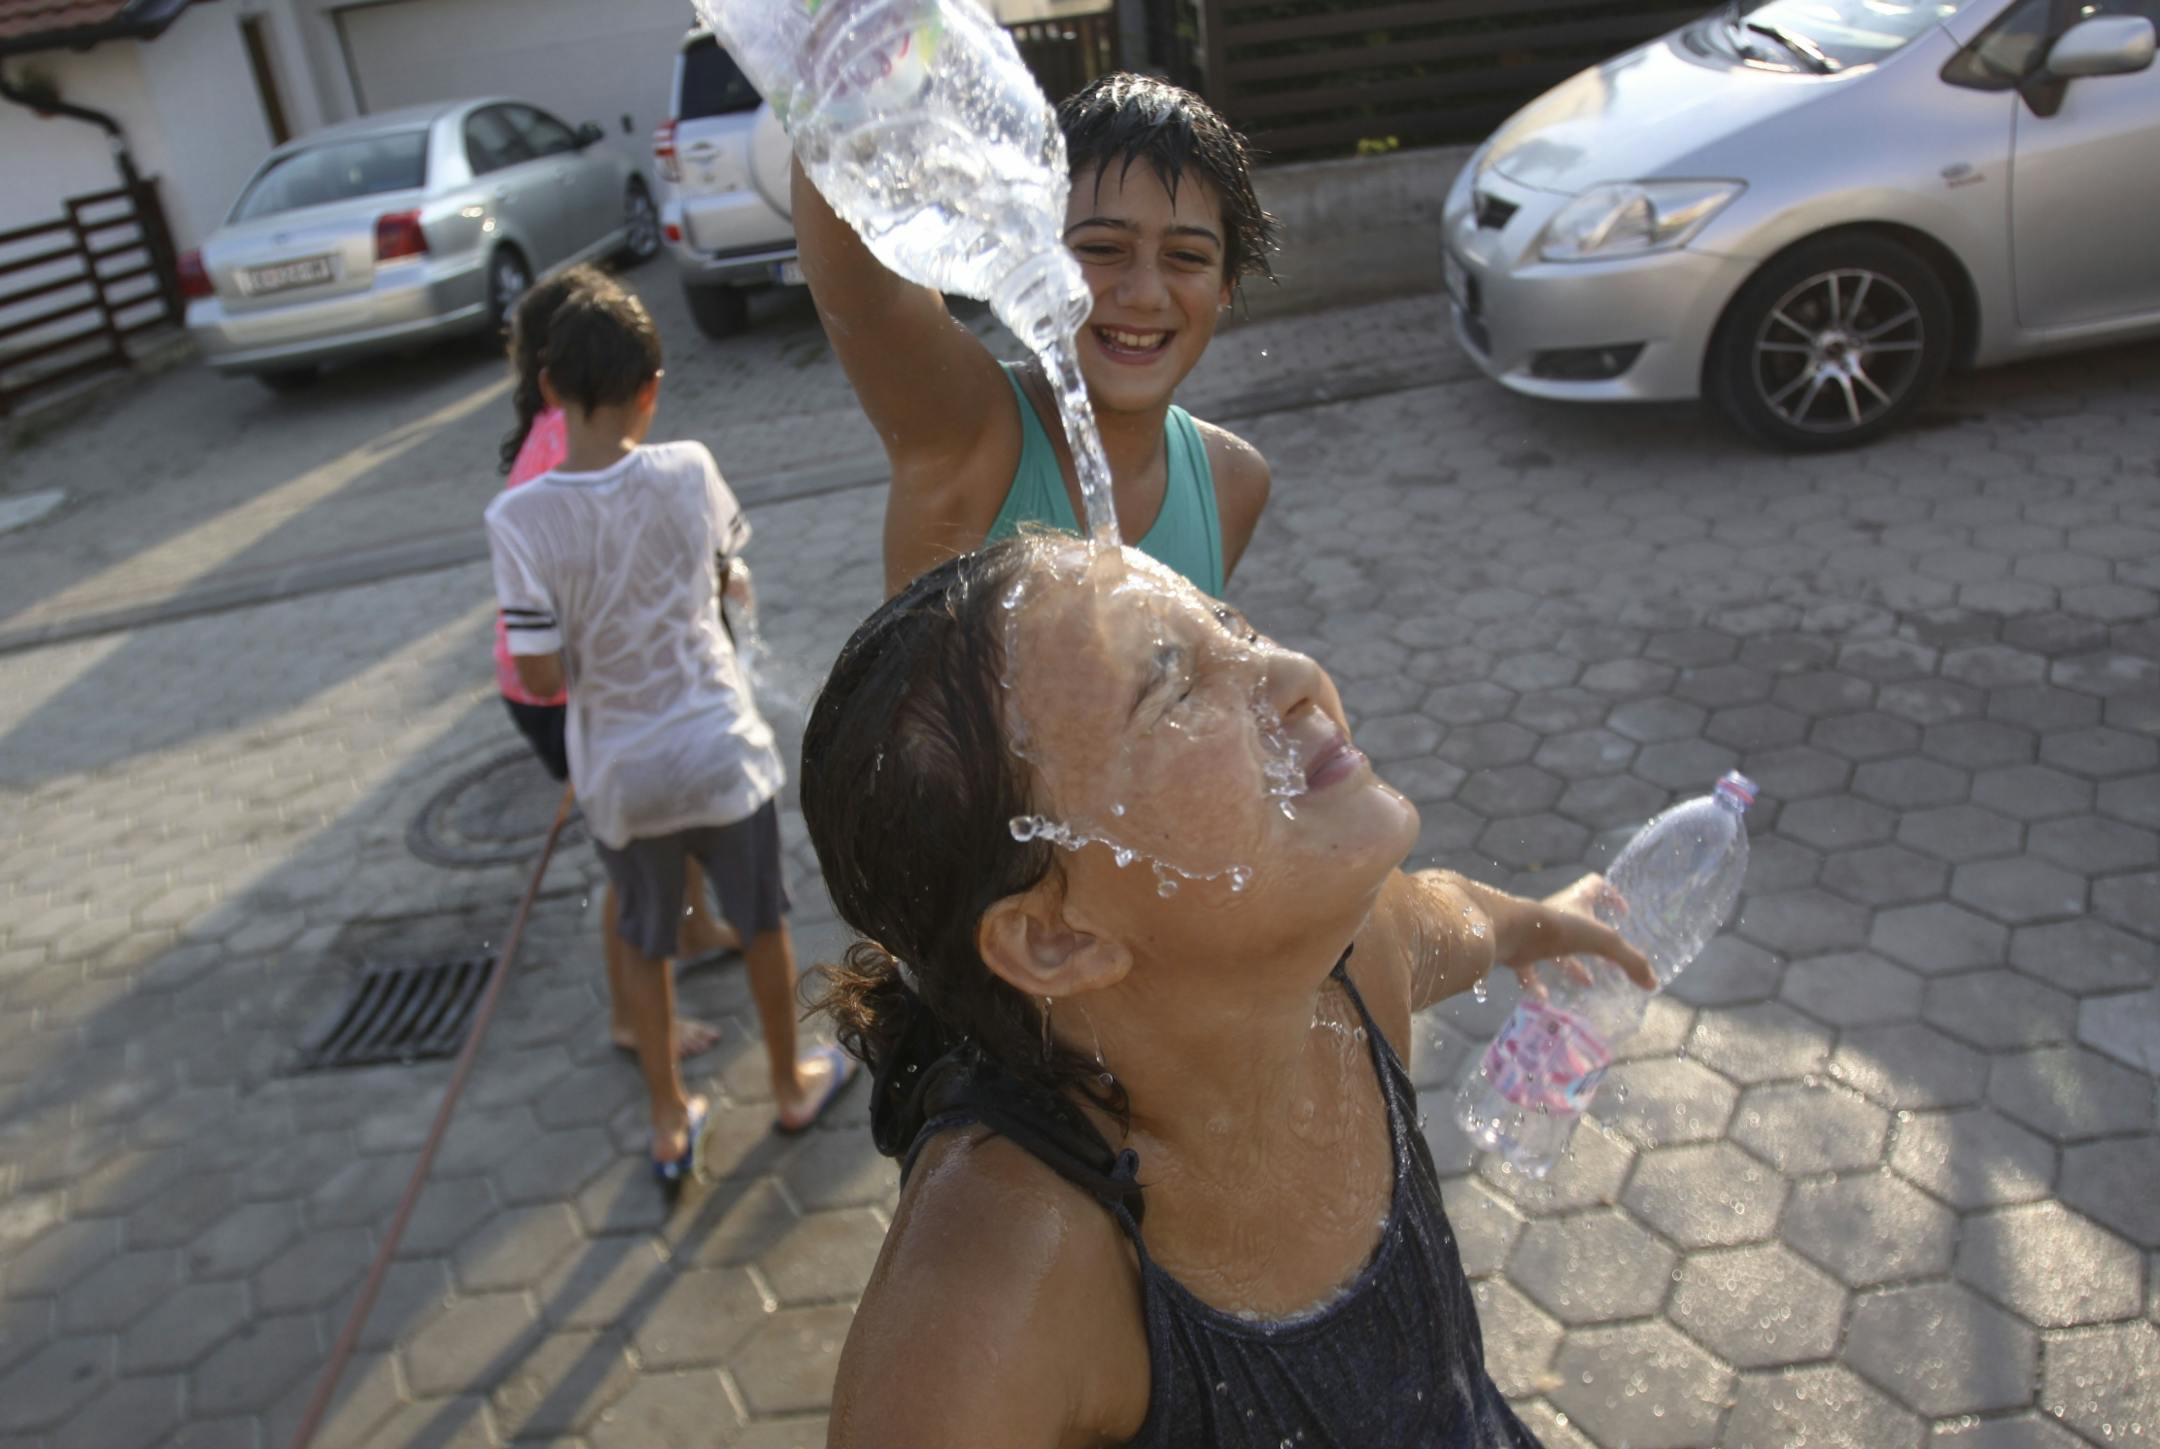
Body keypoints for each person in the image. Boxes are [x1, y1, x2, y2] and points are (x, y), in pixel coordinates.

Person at [798, 538, 1654, 1445]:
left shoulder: (1358, 965)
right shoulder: (1000, 1289)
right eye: (1172, 688)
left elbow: (1456, 915)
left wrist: (1541, 921)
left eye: (1230, 625)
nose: (1287, 670)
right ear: (1055, 936)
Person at [484, 282, 855, 1186]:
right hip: (718, 748)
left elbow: (538, 676)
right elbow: (733, 588)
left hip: (620, 766)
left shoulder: (518, 517)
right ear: (650, 386)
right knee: (763, 919)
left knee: (647, 942)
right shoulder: (690, 467)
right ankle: (791, 1081)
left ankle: (666, 1118)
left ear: (547, 384)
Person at [796, 72, 1279, 598]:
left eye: (1186, 257)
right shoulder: (967, 433)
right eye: (1101, 248)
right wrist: (851, 76)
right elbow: (864, 294)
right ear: (1035, 254)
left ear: (1226, 284)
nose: (1145, 294)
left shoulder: (1233, 483)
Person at [493, 266, 740, 1062]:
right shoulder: (563, 450)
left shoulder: (567, 425)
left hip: (585, 667)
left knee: (676, 806)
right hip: (562, 685)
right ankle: (636, 1020)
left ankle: (696, 928)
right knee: (632, 851)